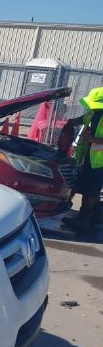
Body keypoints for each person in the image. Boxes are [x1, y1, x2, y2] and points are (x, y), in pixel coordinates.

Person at [63, 87, 103, 236]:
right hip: (89, 158)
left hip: (99, 162)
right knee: (91, 189)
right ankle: (97, 217)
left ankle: (83, 222)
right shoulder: (94, 112)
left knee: (90, 192)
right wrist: (71, 122)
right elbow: (84, 119)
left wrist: (91, 139)